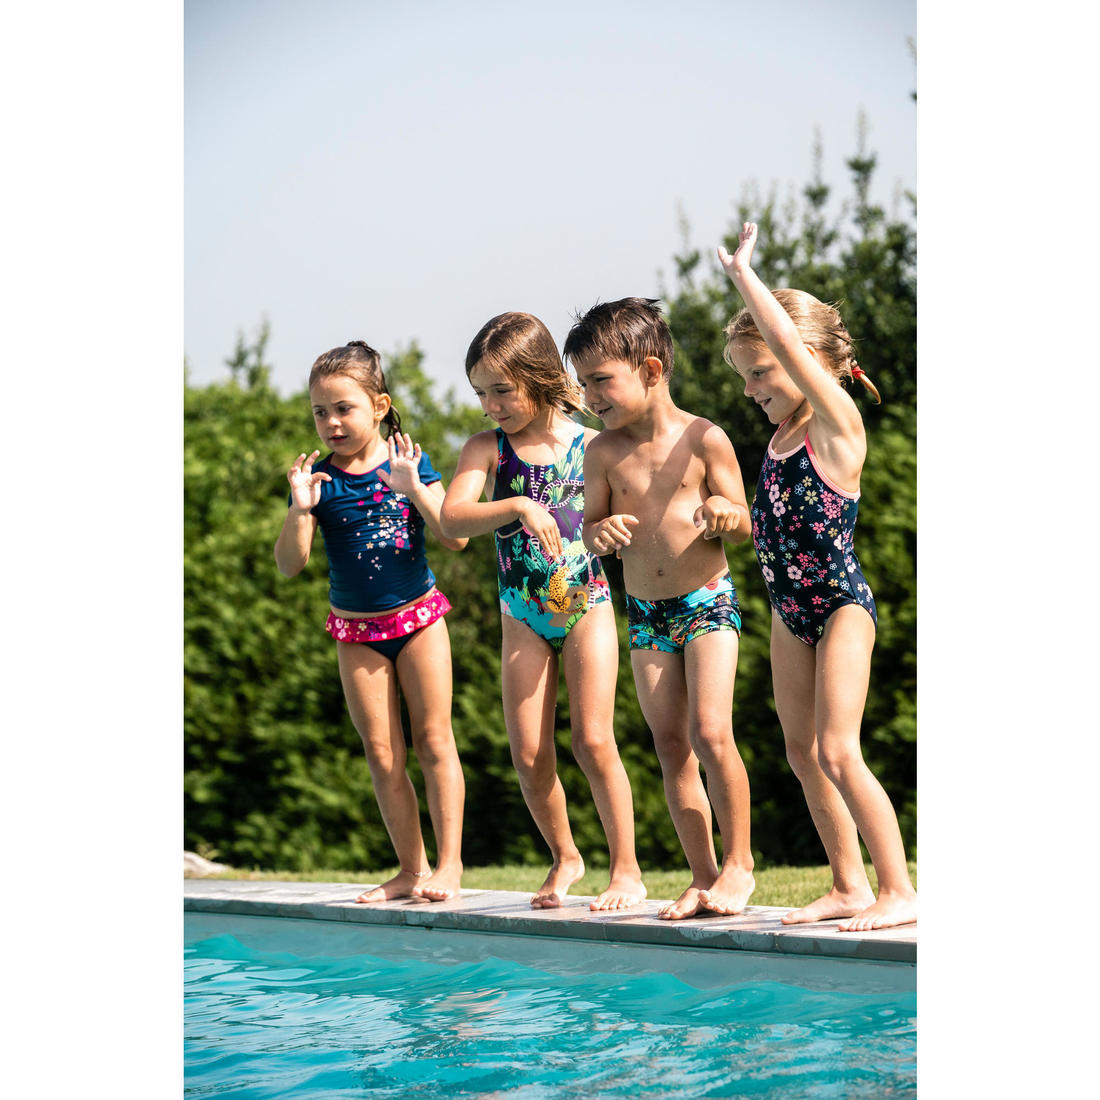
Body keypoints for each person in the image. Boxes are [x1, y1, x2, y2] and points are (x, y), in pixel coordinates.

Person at [719, 221, 917, 931]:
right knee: (802, 752)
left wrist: (745, 277)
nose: (750, 389)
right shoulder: (776, 438)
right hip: (787, 609)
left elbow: (797, 357)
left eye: (761, 370)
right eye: (743, 376)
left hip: (839, 607)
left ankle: (898, 887)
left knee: (838, 746)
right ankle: (848, 882)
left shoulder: (836, 423)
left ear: (804, 362)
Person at [440, 312, 646, 911]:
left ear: (541, 376)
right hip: (522, 614)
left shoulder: (592, 443)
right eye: (481, 393)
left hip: (587, 603)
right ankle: (567, 856)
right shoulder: (488, 449)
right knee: (529, 753)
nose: (491, 405)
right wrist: (519, 505)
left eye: (502, 390)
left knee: (593, 739)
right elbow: (454, 516)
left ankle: (627, 870)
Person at [566, 297, 755, 921]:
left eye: (601, 380)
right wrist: (602, 532)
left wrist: (727, 515)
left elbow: (744, 520)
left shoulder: (705, 438)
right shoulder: (601, 453)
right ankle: (702, 876)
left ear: (650, 370)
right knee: (671, 745)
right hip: (647, 613)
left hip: (706, 602)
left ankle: (739, 866)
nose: (591, 395)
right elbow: (591, 527)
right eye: (585, 382)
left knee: (711, 730)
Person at [274, 340, 467, 904]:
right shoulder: (319, 482)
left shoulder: (409, 463)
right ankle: (411, 868)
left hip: (419, 620)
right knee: (383, 754)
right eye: (319, 411)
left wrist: (415, 489)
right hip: (356, 631)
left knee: (434, 740)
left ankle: (449, 865)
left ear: (379, 405)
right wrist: (299, 508)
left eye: (343, 408)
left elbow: (453, 539)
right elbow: (291, 566)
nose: (330, 422)